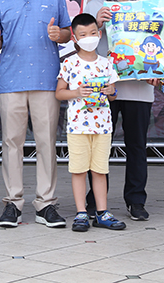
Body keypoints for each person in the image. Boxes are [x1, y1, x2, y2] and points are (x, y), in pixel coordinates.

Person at [0, 0, 72, 228]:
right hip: (11, 80)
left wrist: (60, 35)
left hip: (47, 79)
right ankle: (13, 203)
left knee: (46, 142)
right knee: (11, 143)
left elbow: (67, 32)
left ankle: (45, 204)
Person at [84, 0, 164, 221]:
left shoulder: (151, 7)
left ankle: (136, 200)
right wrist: (96, 24)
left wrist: (157, 72)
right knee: (99, 147)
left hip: (138, 89)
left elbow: (161, 45)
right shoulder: (95, 6)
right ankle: (95, 201)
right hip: (103, 89)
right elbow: (82, 45)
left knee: (136, 146)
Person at [54, 13, 125, 232]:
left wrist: (111, 91)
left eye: (93, 33)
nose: (89, 38)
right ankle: (81, 212)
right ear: (74, 38)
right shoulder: (69, 63)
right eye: (83, 34)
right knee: (78, 170)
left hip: (103, 126)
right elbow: (59, 93)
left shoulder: (107, 63)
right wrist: (76, 92)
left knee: (100, 170)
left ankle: (102, 212)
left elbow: (113, 95)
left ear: (99, 34)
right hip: (78, 127)